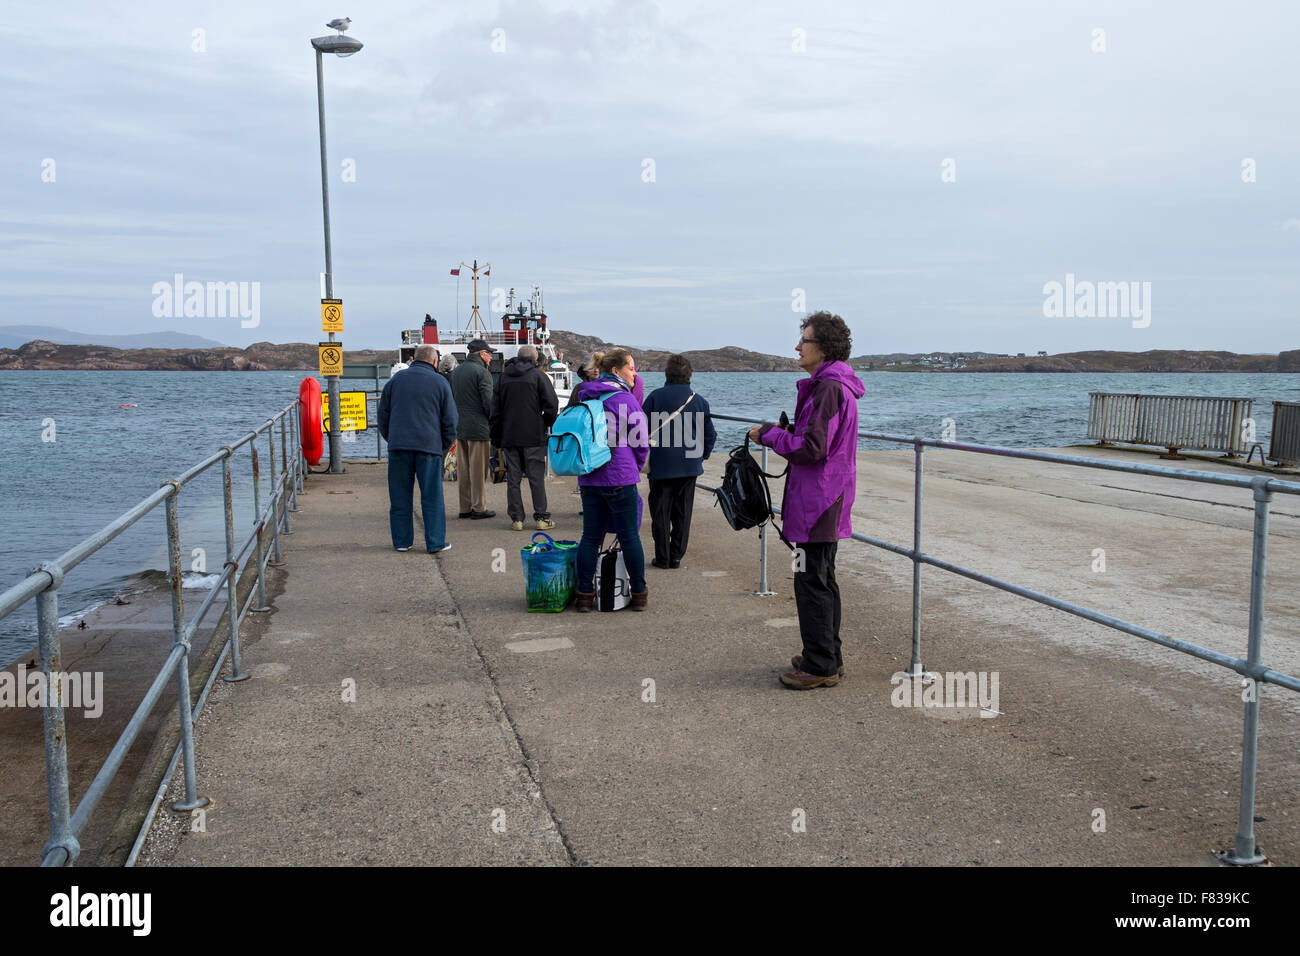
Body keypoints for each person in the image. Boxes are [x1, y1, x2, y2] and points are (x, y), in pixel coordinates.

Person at [748, 311, 864, 689]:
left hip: (819, 499)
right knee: (822, 577)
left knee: (810, 580)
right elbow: (820, 440)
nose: (798, 346)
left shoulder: (828, 388)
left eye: (805, 340)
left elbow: (813, 450)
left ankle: (819, 665)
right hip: (828, 495)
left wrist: (769, 435)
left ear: (824, 347)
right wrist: (791, 431)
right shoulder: (834, 386)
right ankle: (828, 654)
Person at [572, 348, 649, 612]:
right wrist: (633, 468)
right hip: (619, 476)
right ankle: (638, 593)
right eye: (631, 368)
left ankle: (584, 594)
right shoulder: (624, 400)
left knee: (590, 538)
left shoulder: (585, 396)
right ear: (616, 371)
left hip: (590, 477)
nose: (634, 373)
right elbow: (641, 442)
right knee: (630, 538)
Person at [377, 344, 458, 554]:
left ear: (413, 359)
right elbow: (451, 421)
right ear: (434, 362)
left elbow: (382, 417)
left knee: (399, 496)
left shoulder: (395, 381)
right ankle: (435, 542)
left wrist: (392, 439)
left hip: (399, 447)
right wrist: (442, 447)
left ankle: (402, 541)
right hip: (429, 448)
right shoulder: (440, 382)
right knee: (432, 497)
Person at [642, 354, 716, 569]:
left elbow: (641, 429)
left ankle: (662, 557)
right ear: (689, 375)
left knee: (661, 513)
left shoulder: (655, 397)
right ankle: (676, 556)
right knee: (683, 512)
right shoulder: (700, 401)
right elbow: (709, 435)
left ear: (667, 374)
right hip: (689, 465)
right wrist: (703, 455)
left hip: (661, 464)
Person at [490, 345, 559, 532]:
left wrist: (496, 437)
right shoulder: (538, 376)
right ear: (535, 360)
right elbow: (552, 404)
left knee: (513, 479)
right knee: (536, 478)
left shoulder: (503, 378)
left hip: (509, 435)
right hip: (533, 435)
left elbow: (495, 411)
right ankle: (541, 517)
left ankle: (517, 519)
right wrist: (544, 422)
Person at [450, 338, 496, 519]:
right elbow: (488, 402)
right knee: (478, 471)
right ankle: (479, 507)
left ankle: (465, 507)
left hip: (460, 427)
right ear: (482, 354)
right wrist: (494, 421)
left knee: (463, 470)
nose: (491, 357)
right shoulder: (482, 373)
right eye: (489, 354)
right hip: (479, 428)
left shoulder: (456, 372)